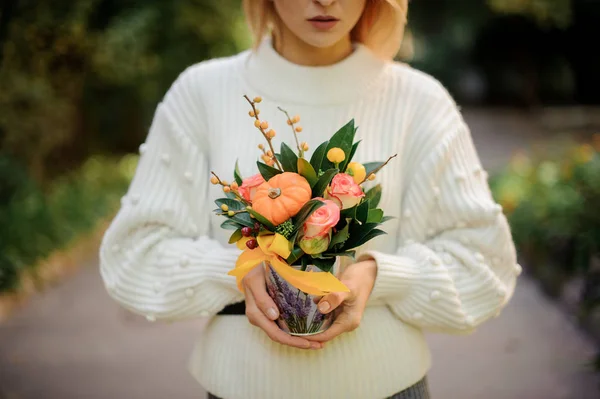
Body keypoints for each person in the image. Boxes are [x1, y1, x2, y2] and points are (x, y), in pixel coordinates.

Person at [99, 0, 520, 398]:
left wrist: (378, 276)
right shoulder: (202, 93)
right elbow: (135, 254)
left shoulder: (420, 101)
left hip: (389, 388)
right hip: (240, 388)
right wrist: (240, 271)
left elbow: (485, 266)